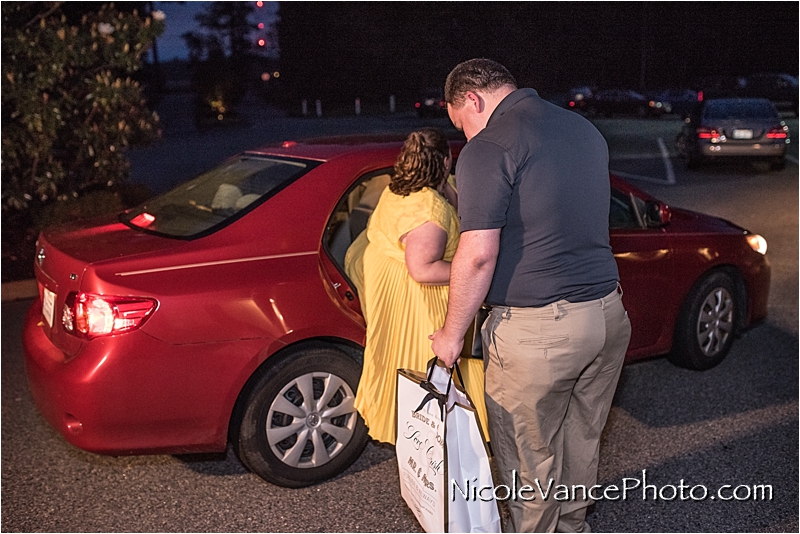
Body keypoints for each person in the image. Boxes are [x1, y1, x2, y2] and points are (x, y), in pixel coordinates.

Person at [430, 59, 631, 532]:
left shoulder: (490, 146)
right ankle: (573, 526)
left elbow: (477, 255)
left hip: (539, 332)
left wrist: (451, 334)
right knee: (583, 439)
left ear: (472, 100)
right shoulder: (584, 130)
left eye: (464, 123)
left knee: (527, 459)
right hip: (607, 315)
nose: (468, 135)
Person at [345, 128, 489, 445]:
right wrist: (471, 272)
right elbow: (423, 269)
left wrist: (447, 188)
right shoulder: (429, 213)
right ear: (445, 160)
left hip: (395, 301)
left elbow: (455, 199)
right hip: (423, 305)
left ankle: (423, 442)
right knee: (440, 374)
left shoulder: (397, 190)